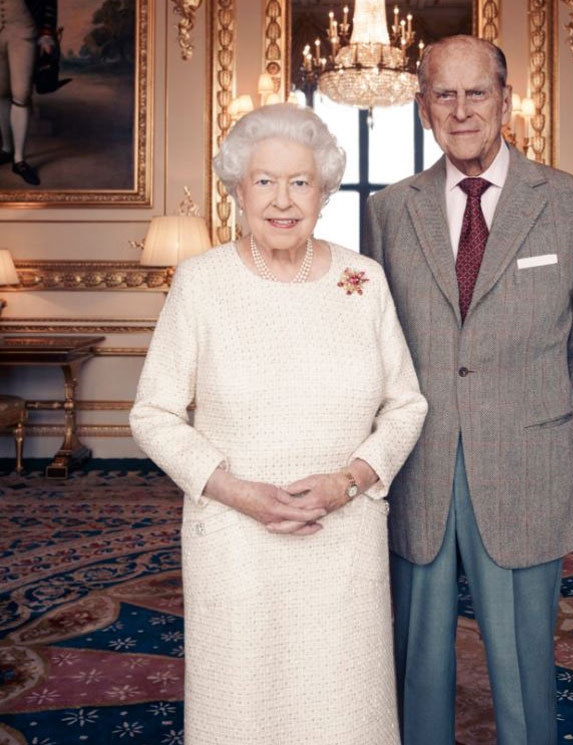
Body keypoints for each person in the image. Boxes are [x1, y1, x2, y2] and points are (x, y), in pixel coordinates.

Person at [130, 103, 427, 745]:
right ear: (237, 190)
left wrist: (349, 482)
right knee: (244, 706)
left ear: (324, 192)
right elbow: (153, 413)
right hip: (235, 540)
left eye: (300, 182)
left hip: (342, 533)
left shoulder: (363, 280)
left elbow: (407, 404)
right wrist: (238, 493)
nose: (282, 200)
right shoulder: (201, 282)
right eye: (264, 181)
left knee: (343, 704)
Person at [362, 35, 573, 745]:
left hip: (526, 462)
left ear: (505, 100)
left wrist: (529, 413)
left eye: (477, 92)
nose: (461, 109)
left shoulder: (572, 204)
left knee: (524, 664)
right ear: (422, 108)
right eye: (444, 93)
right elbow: (378, 339)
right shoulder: (388, 211)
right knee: (414, 660)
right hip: (419, 464)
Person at [0, 0, 57, 185]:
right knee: (1, 93)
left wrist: (47, 33)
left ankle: (19, 160)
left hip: (23, 30)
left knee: (21, 95)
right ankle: (6, 150)